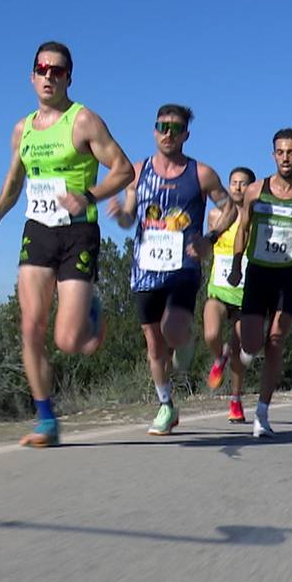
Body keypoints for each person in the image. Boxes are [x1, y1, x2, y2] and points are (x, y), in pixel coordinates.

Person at [0, 41, 135, 447]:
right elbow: (15, 180)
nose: (49, 76)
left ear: (69, 77)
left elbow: (123, 170)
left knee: (70, 341)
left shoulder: (83, 121)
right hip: (38, 230)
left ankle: (91, 311)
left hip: (77, 231)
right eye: (42, 69)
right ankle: (46, 418)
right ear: (31, 75)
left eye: (58, 71)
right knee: (30, 326)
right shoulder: (23, 129)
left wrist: (89, 196)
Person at [108, 104, 233, 436]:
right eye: (162, 126)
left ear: (186, 135)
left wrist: (211, 238)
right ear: (154, 130)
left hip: (183, 266)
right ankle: (166, 406)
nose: (168, 133)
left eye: (175, 128)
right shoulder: (137, 171)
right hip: (145, 268)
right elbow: (128, 219)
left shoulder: (201, 173)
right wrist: (120, 213)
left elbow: (230, 208)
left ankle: (185, 341)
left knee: (174, 333)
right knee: (153, 344)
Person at [226, 128, 292, 438]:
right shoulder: (256, 191)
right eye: (280, 152)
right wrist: (236, 265)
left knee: (275, 341)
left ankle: (262, 412)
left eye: (291, 152)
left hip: (288, 277)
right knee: (251, 343)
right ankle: (246, 348)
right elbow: (243, 230)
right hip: (258, 271)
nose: (285, 158)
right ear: (273, 155)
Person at [204, 166, 256, 424]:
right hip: (218, 290)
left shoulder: (255, 219)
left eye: (243, 183)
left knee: (238, 353)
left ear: (252, 188)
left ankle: (235, 400)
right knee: (211, 333)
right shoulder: (214, 215)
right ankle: (218, 357)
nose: (237, 187)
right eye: (233, 182)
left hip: (245, 294)